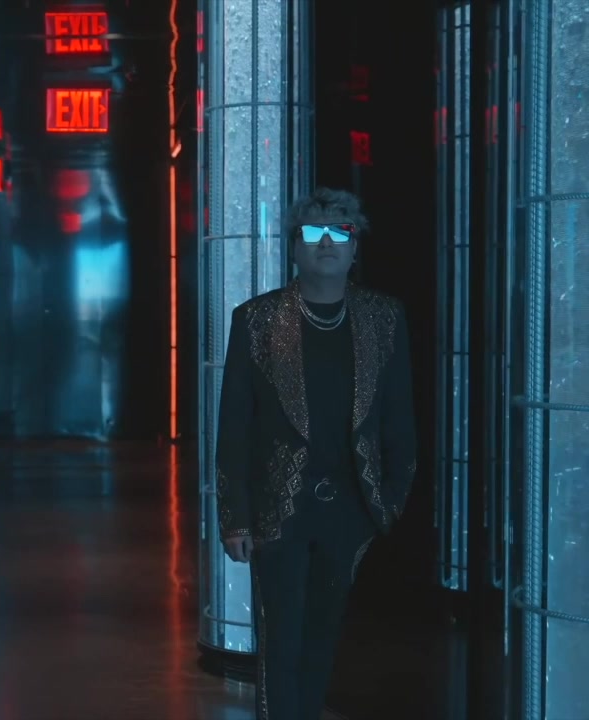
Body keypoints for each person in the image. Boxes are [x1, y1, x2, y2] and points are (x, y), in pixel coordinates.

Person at [215, 187, 417, 720]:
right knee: (281, 635)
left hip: (352, 506)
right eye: (312, 232)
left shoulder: (383, 318)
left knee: (323, 634)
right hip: (277, 506)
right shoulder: (257, 319)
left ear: (354, 247)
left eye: (339, 231)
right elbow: (234, 424)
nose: (326, 242)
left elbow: (399, 417)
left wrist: (389, 502)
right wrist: (235, 517)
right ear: (294, 248)